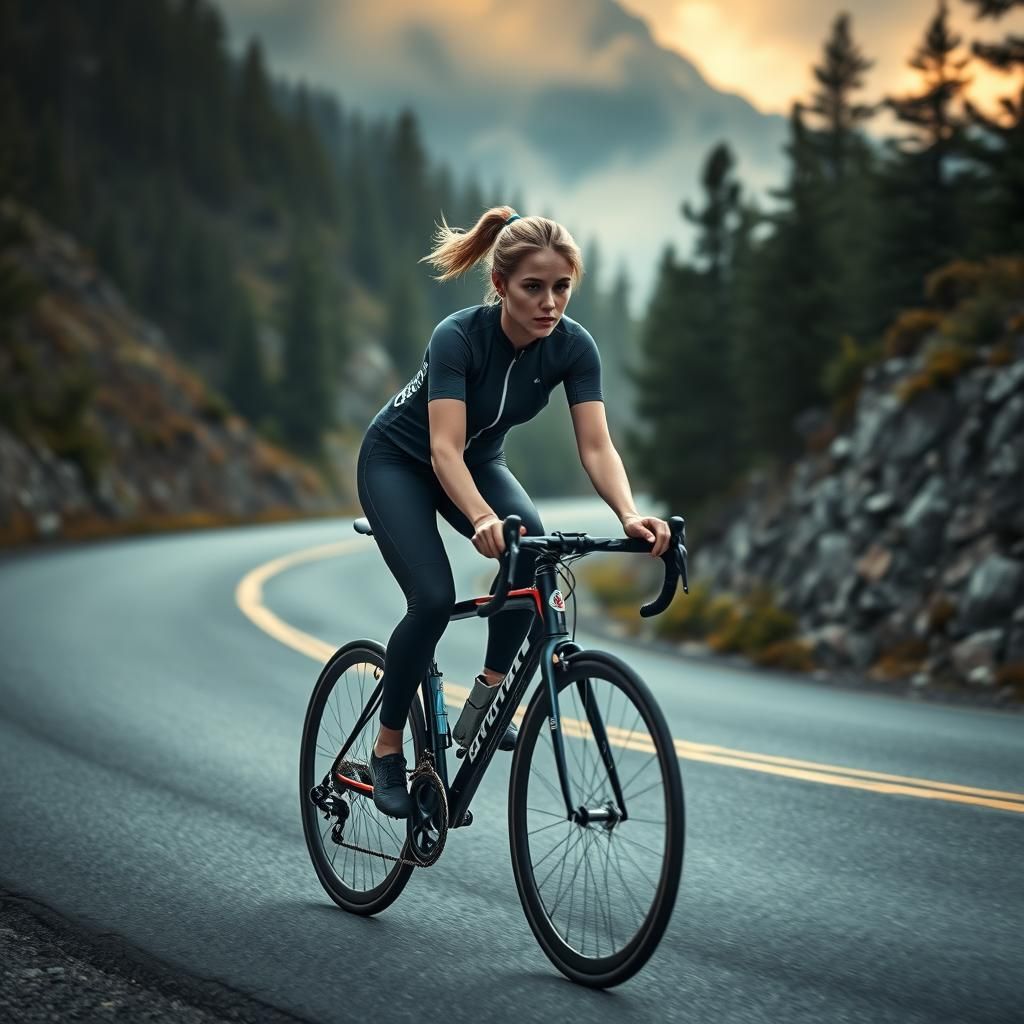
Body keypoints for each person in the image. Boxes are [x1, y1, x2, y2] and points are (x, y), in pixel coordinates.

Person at [357, 206, 671, 818]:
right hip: (399, 463)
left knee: (535, 558)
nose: (549, 302)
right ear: (500, 285)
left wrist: (630, 514)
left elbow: (597, 445)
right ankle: (388, 748)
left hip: (478, 464)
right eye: (533, 287)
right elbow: (442, 449)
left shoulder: (574, 348)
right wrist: (479, 518)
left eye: (561, 287)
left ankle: (486, 698)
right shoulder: (458, 336)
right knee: (432, 598)